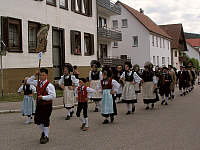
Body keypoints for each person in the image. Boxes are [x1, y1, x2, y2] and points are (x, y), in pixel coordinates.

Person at [27, 68, 56, 144]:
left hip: (47, 106)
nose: (41, 77)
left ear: (46, 75)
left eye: (43, 75)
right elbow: (28, 81)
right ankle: (44, 131)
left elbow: (53, 96)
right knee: (38, 121)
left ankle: (46, 136)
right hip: (39, 105)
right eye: (40, 75)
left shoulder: (50, 85)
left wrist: (43, 97)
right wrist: (34, 75)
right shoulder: (37, 83)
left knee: (45, 120)